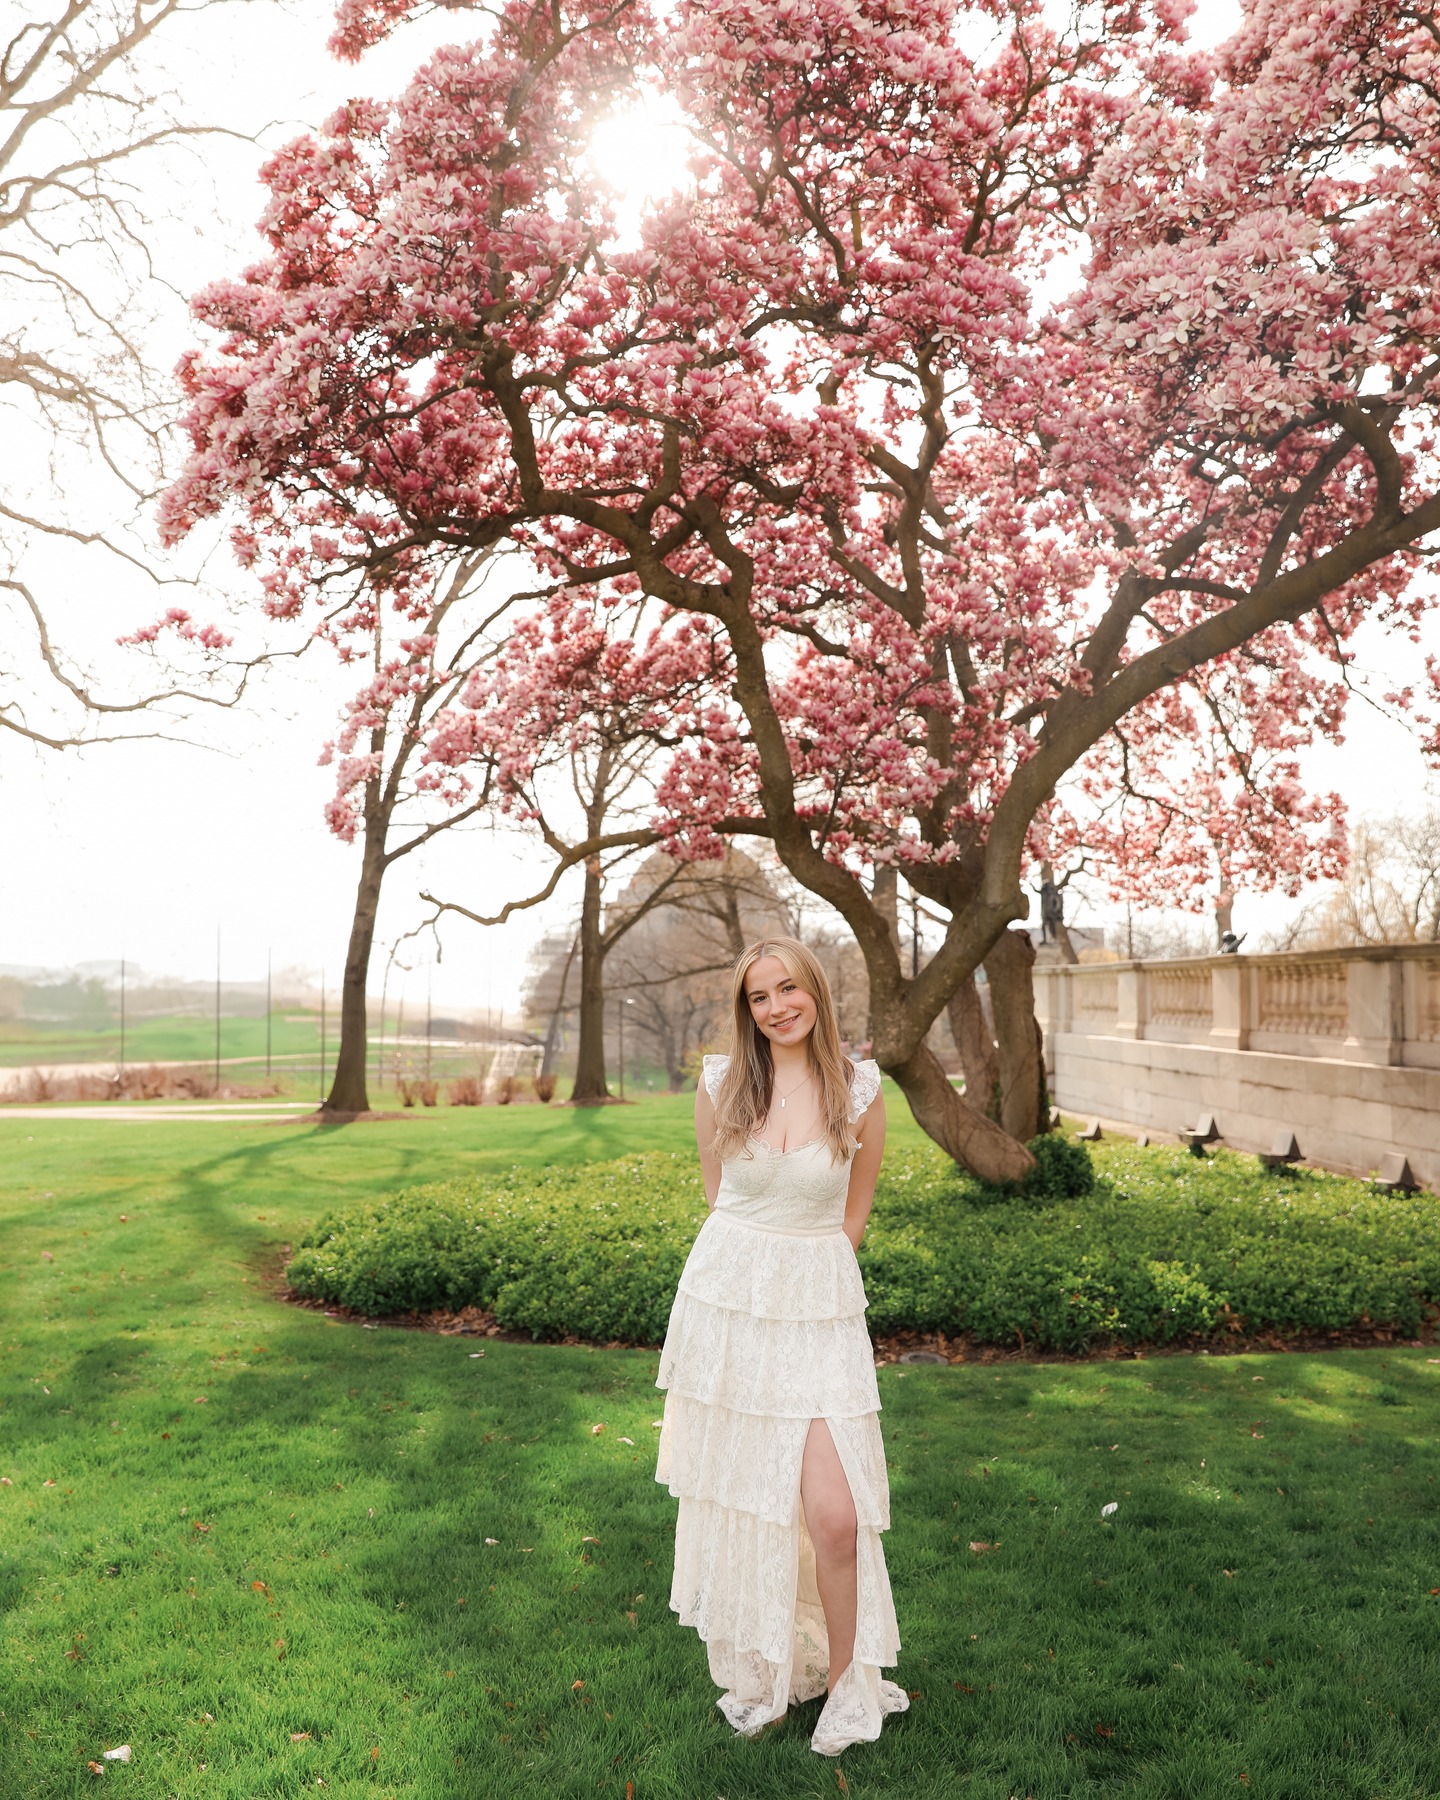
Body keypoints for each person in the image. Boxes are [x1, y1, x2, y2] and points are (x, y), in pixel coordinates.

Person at [654, 936, 909, 1756]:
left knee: (834, 1517)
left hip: (819, 1311)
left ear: (816, 994)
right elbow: (717, 1195)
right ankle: (767, 1667)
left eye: (789, 989)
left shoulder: (860, 1089)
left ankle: (845, 1685)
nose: (777, 1007)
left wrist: (809, 1283)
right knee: (756, 1502)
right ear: (747, 1009)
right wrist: (753, 1279)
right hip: (728, 1307)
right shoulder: (722, 1083)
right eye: (761, 996)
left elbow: (855, 1216)